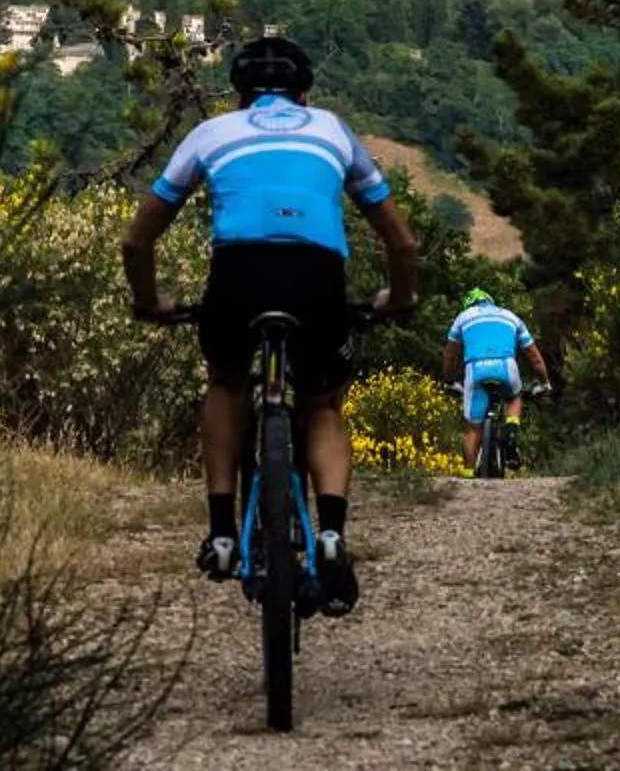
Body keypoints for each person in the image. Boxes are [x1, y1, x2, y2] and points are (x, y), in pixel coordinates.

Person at [122, 33, 420, 617]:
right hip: (317, 276)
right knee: (325, 404)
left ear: (237, 96)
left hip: (240, 273)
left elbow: (138, 239)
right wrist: (399, 299)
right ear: (304, 94)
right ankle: (331, 534)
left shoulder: (210, 134)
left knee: (228, 381)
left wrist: (149, 301)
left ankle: (223, 533)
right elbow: (402, 241)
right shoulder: (332, 130)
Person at [442, 287, 551, 471]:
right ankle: (511, 433)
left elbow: (450, 356)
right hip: (506, 368)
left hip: (476, 370)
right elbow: (534, 357)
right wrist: (544, 383)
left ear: (468, 304)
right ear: (490, 301)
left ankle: (468, 475)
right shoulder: (511, 317)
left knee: (472, 428)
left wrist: (449, 380)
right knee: (514, 397)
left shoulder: (463, 317)